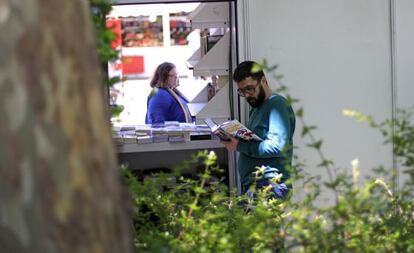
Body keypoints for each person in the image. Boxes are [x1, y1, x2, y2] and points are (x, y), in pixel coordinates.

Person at [222, 61, 296, 200]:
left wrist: (239, 145)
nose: (247, 95)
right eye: (242, 91)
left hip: (270, 185)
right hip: (256, 185)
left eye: (250, 88)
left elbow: (277, 146)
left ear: (263, 81)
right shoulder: (257, 108)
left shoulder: (277, 105)